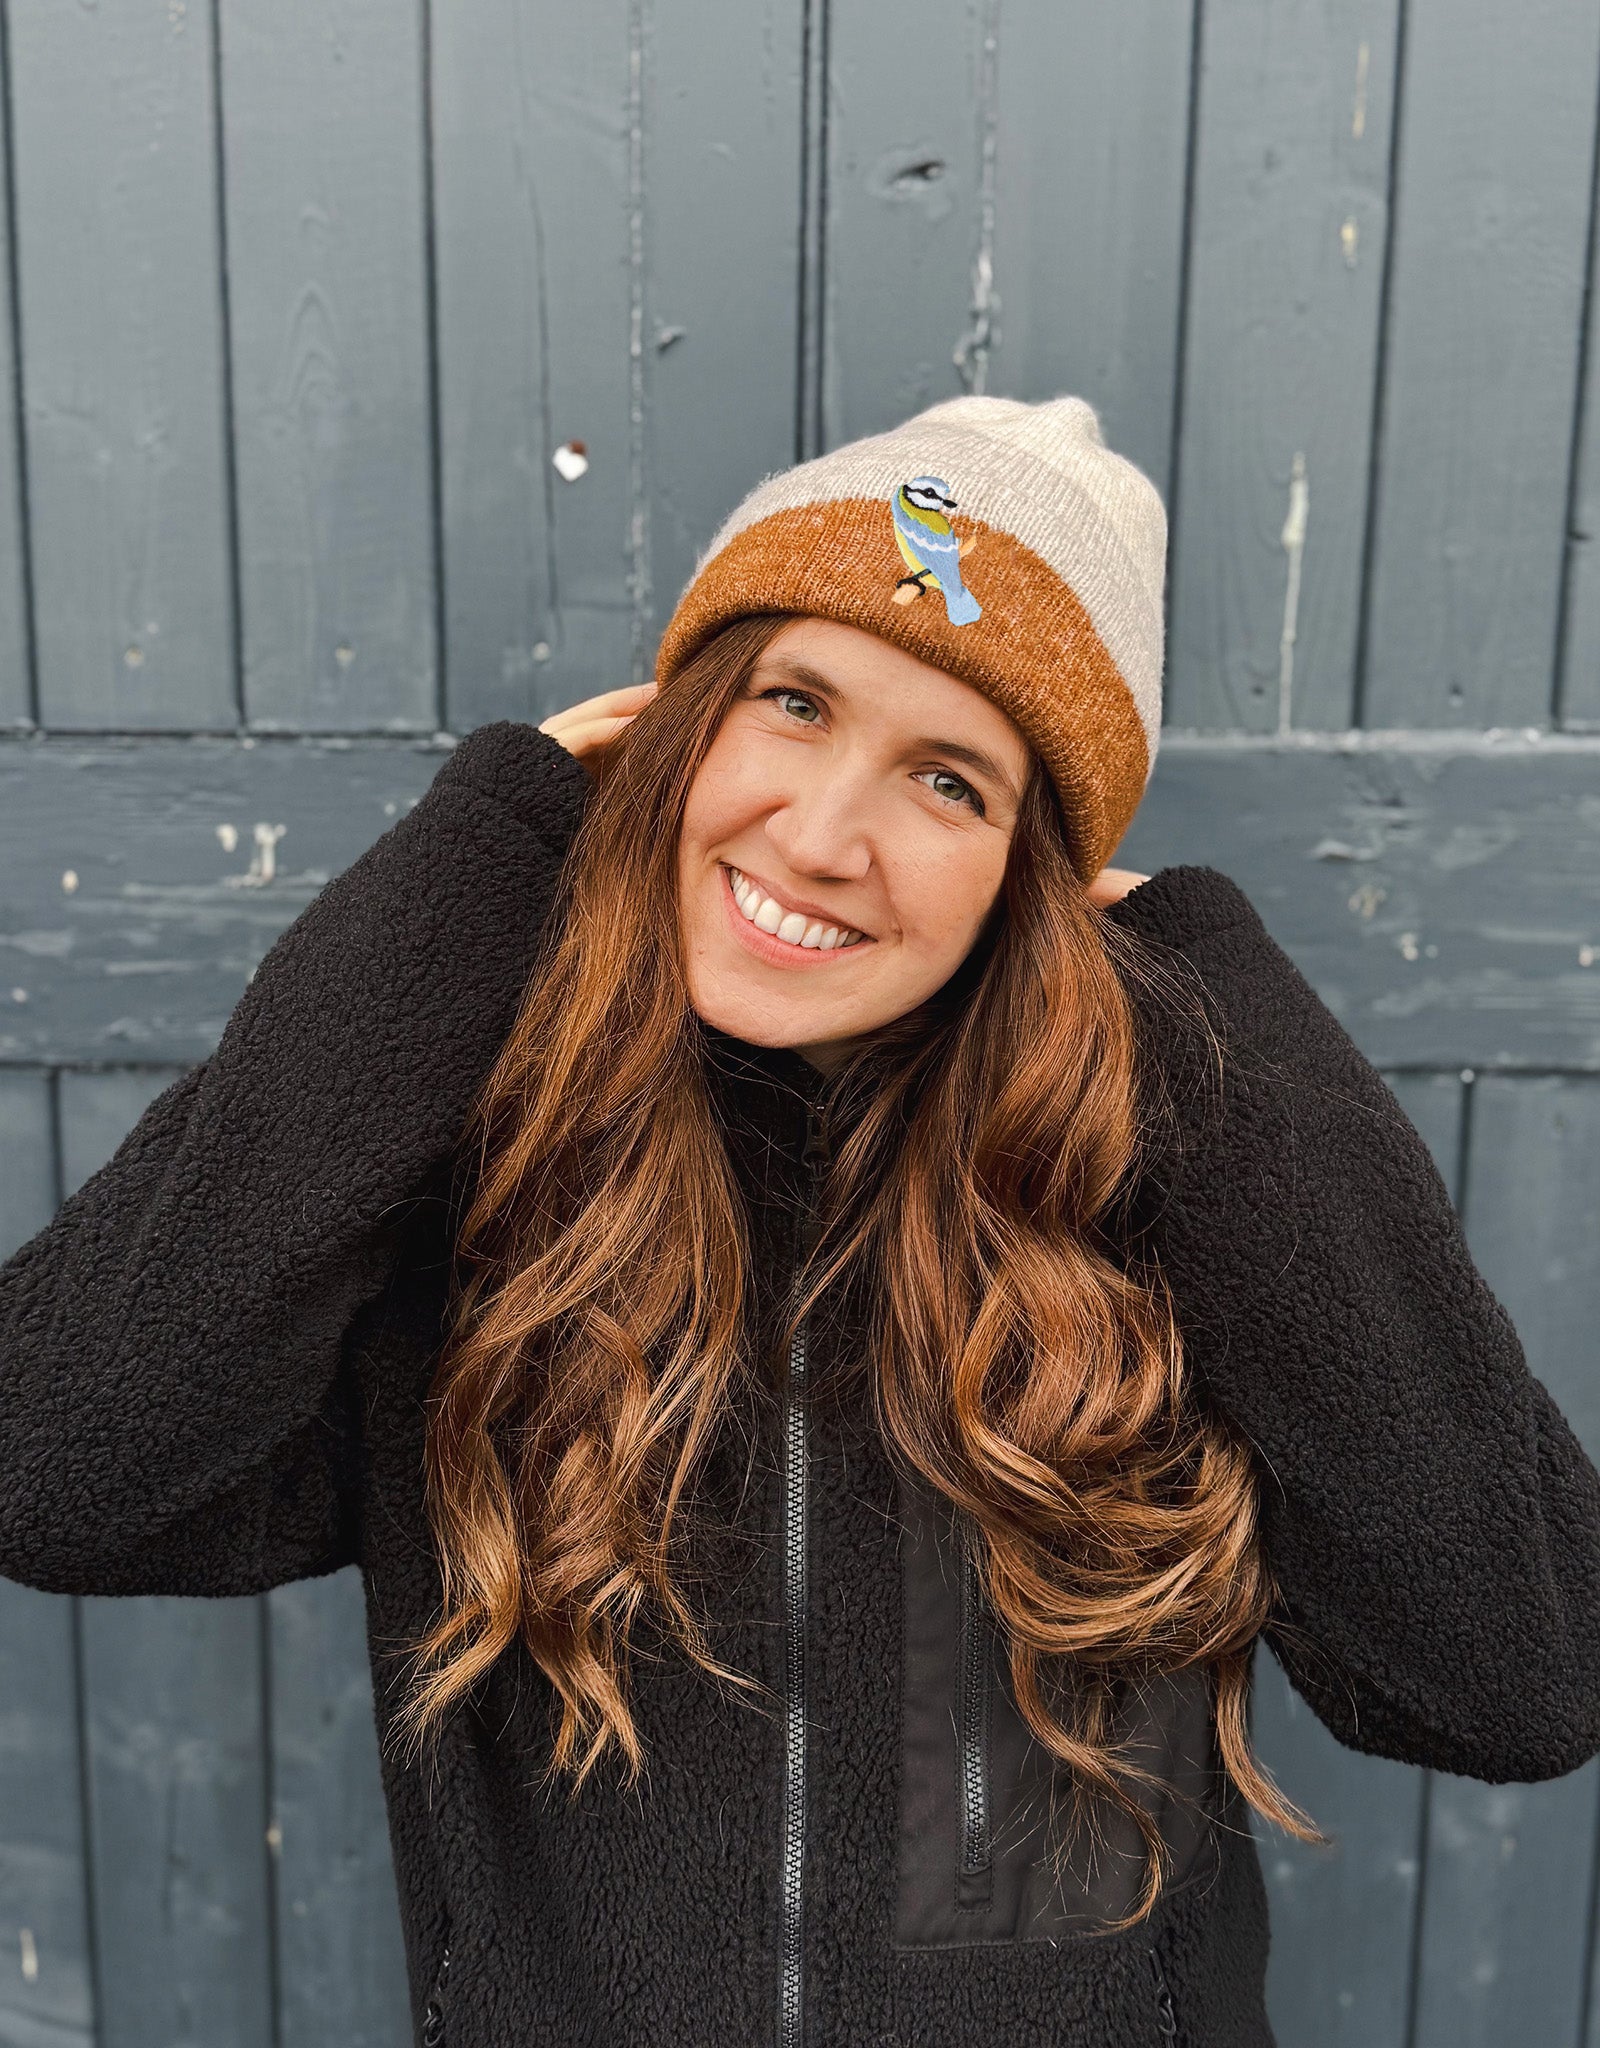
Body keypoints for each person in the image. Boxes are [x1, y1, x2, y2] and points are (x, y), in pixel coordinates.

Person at [2, 393, 1597, 2048]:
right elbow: (52, 1464)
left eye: (951, 782)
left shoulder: (1159, 1240)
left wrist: (1214, 1000)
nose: (825, 837)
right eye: (792, 701)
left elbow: (1521, 1677)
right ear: (673, 727)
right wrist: (477, 860)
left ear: (1036, 881)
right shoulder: (492, 1214)